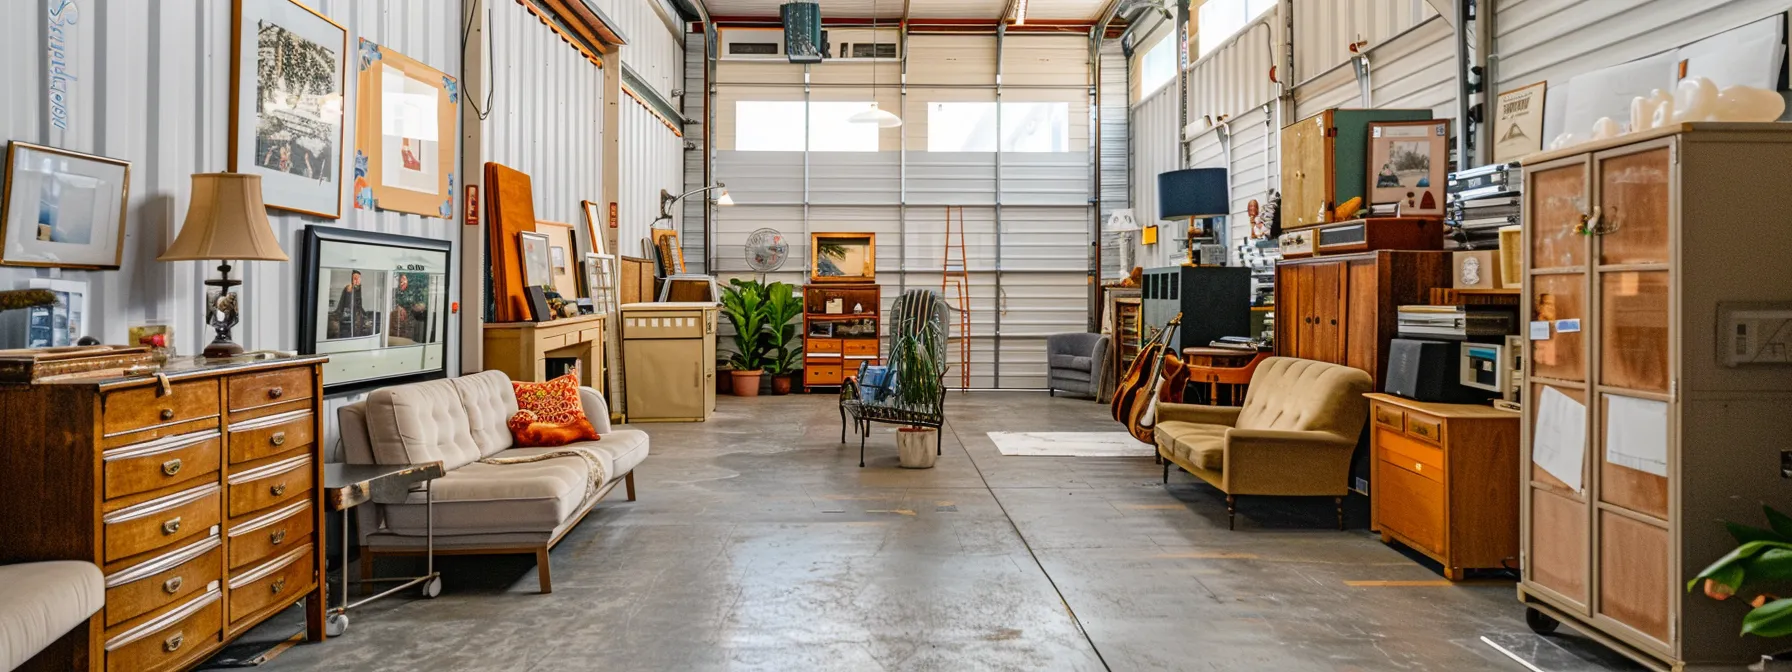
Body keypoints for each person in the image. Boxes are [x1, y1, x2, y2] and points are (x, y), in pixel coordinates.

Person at [388, 273, 432, 343]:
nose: (401, 283)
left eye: (403, 280)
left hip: (414, 323)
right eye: (400, 281)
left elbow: (421, 306)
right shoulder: (396, 292)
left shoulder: (417, 293)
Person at [333, 270, 376, 338]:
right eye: (354, 278)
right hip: (348, 321)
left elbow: (360, 306)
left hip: (358, 321)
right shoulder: (349, 289)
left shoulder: (360, 289)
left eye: (358, 278)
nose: (356, 280)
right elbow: (346, 305)